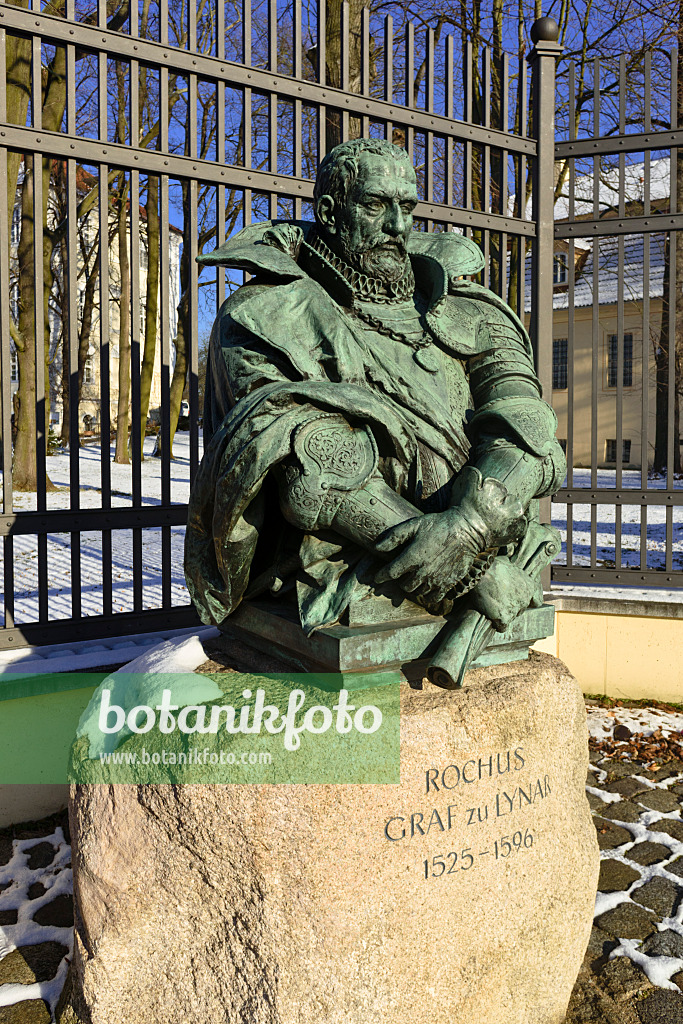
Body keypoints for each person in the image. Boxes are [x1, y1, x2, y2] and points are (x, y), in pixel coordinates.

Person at [185, 138, 565, 683]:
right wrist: (469, 568)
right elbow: (301, 457)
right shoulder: (261, 314)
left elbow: (523, 416)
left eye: (406, 206)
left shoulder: (462, 303)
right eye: (373, 205)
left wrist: (472, 527)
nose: (396, 225)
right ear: (330, 212)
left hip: (479, 529)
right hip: (351, 557)